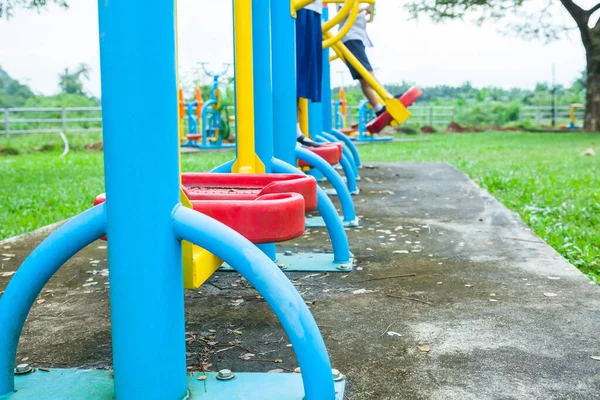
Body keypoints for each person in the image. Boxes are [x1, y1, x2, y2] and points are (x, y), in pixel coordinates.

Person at [337, 4, 386, 117]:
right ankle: (387, 98)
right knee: (368, 75)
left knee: (364, 78)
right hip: (351, 38)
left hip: (356, 38)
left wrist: (366, 10)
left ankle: (379, 108)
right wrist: (363, 7)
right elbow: (344, 13)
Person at [295, 0, 324, 147]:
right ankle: (291, 128)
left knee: (304, 72)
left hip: (312, 8)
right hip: (298, 7)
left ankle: (295, 128)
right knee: (295, 69)